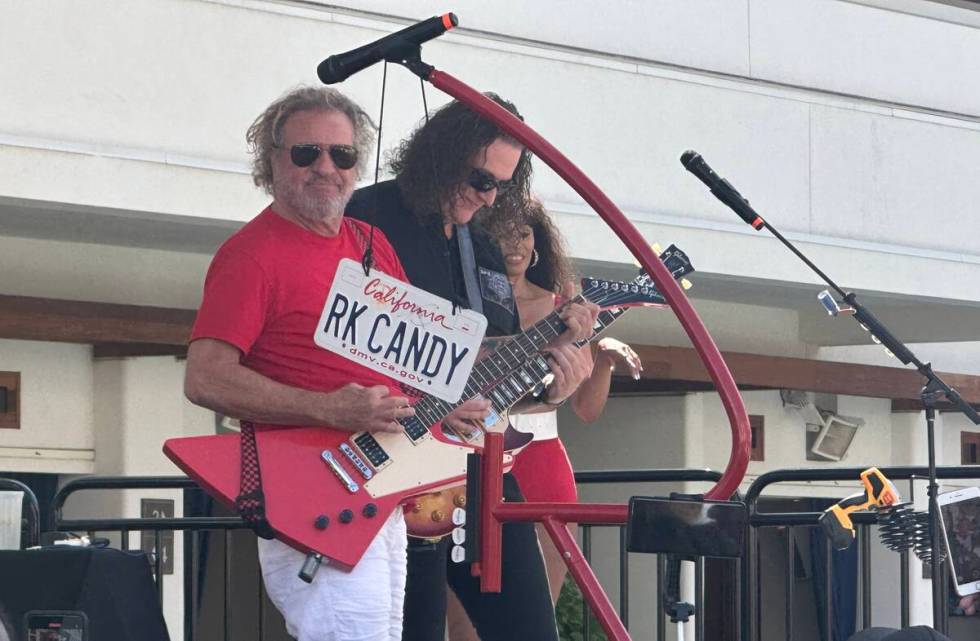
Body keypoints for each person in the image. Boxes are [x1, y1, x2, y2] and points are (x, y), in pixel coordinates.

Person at [182, 85, 488, 641]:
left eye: (342, 155)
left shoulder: (370, 242)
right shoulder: (251, 256)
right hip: (316, 492)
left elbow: (399, 369)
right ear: (271, 161)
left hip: (378, 486)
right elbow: (204, 376)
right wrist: (327, 409)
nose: (326, 167)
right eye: (307, 153)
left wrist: (441, 407)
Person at [347, 94, 598, 641]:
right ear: (438, 154)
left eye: (498, 186)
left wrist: (554, 387)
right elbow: (349, 341)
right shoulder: (368, 216)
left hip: (478, 472)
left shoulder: (482, 246)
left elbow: (493, 379)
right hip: (390, 465)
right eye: (478, 178)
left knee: (532, 630)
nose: (486, 195)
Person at [443, 199, 642, 639]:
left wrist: (601, 358)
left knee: (535, 617)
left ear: (538, 242)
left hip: (541, 456)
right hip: (469, 453)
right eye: (501, 232)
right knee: (466, 627)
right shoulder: (459, 298)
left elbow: (583, 408)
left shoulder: (564, 306)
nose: (514, 243)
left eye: (524, 231)